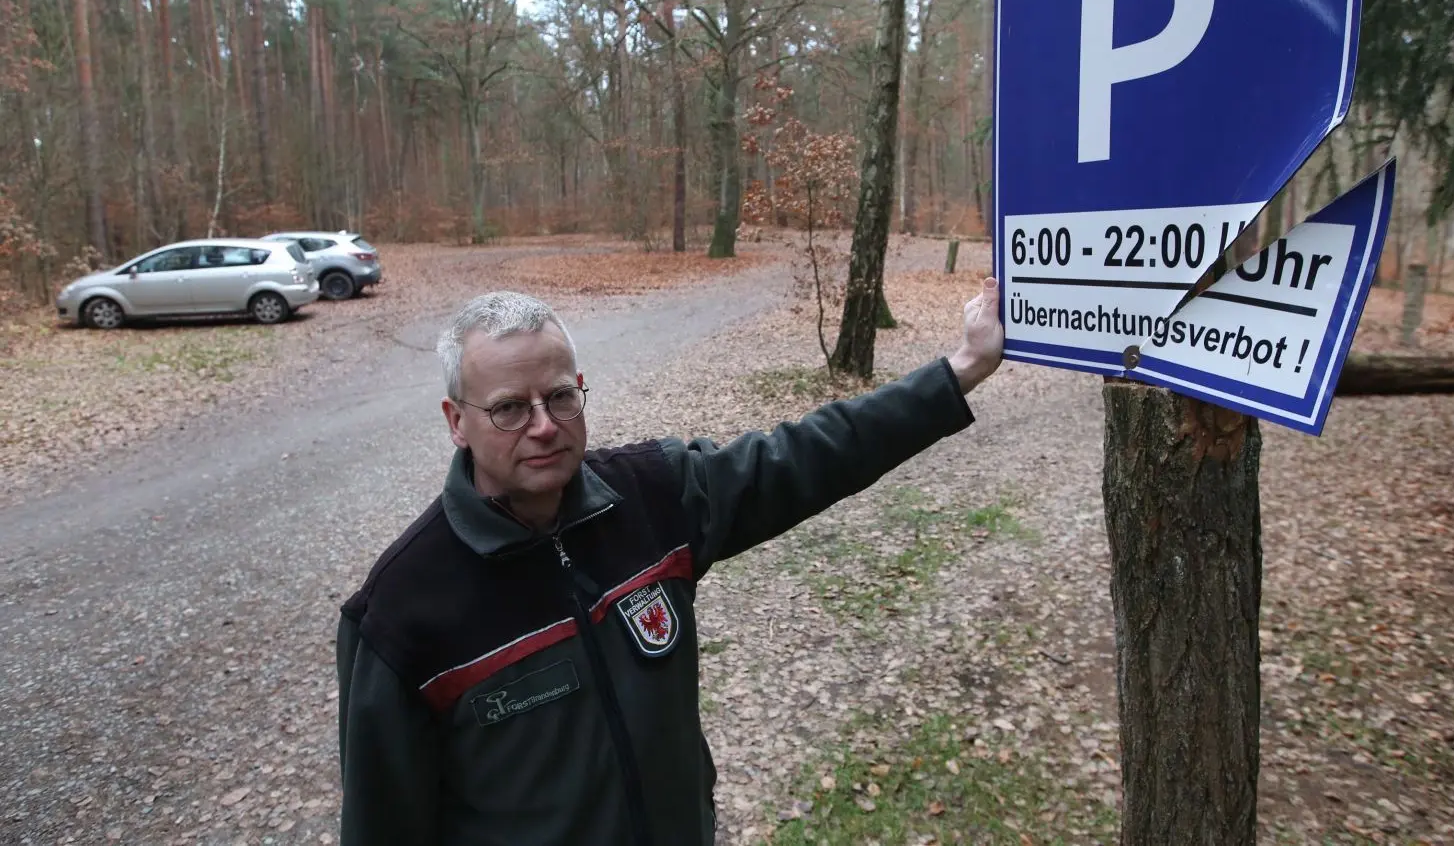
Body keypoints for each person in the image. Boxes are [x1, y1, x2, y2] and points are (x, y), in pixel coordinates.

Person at [336, 277, 1006, 846]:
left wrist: (959, 372)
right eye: (509, 408)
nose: (543, 425)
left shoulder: (654, 497)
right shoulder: (401, 614)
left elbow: (813, 453)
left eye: (561, 396)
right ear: (457, 421)